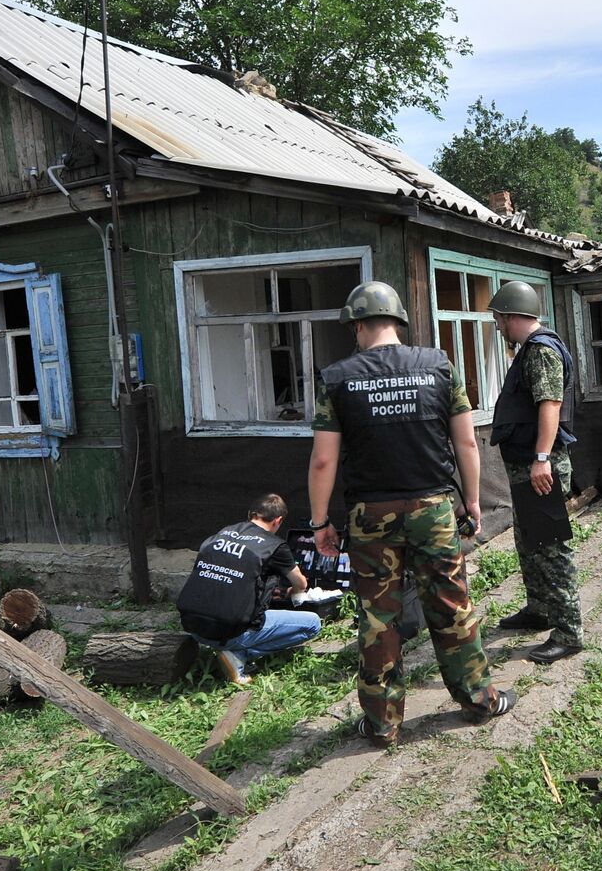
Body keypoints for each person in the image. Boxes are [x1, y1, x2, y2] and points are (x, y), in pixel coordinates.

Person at [308, 280, 517, 746]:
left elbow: (323, 459)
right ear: (398, 322)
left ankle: (383, 724)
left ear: (359, 324)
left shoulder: (337, 379)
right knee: (451, 604)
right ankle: (480, 701)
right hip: (433, 509)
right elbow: (465, 441)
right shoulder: (440, 366)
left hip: (370, 515)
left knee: (378, 617)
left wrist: (320, 521)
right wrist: (473, 499)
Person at [485, 280, 584, 664]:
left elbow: (550, 405)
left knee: (550, 547)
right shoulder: (528, 349)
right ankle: (539, 610)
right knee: (530, 543)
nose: (497, 326)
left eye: (498, 318)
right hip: (527, 465)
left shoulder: (541, 350)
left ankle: (569, 632)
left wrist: (542, 457)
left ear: (511, 316)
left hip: (540, 464)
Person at [176, 493, 322, 686]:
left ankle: (229, 650)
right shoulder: (274, 545)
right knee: (313, 623)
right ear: (278, 521)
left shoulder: (221, 533)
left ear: (250, 514)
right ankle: (239, 654)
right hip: (229, 632)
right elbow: (301, 583)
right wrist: (293, 592)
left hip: (193, 626)